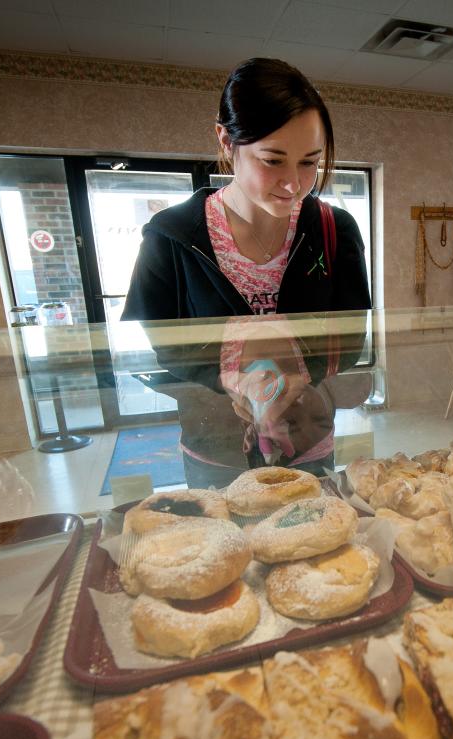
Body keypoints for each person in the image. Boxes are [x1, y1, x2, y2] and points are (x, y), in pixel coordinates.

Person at [122, 57, 372, 488]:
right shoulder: (170, 237)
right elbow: (164, 347)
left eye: (309, 162)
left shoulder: (335, 231)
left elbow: (348, 338)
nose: (294, 184)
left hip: (308, 434)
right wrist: (229, 379)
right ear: (225, 140)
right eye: (273, 160)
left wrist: (298, 378)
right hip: (215, 443)